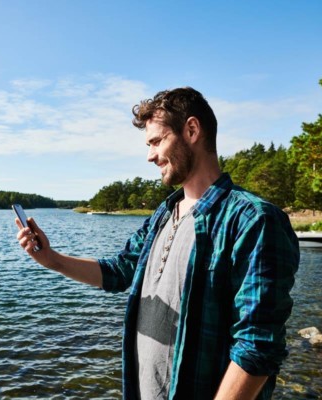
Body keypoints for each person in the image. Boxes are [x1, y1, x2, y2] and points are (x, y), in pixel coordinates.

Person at [15, 87, 299, 400]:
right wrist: (52, 259)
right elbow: (121, 270)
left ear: (191, 130)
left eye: (156, 141)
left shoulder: (252, 219)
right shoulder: (164, 213)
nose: (150, 155)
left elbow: (258, 345)